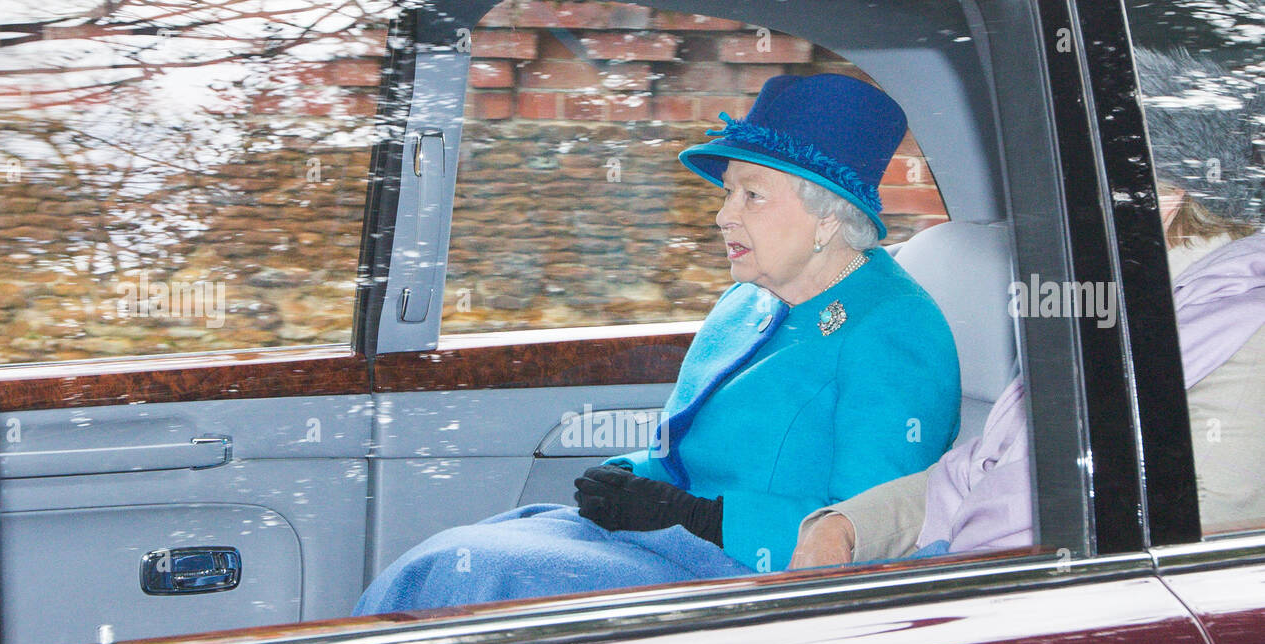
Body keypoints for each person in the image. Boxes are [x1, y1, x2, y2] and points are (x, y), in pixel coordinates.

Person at [355, 73, 960, 614]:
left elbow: (867, 533)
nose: (723, 216)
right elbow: (682, 452)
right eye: (728, 192)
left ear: (828, 217)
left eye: (752, 195)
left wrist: (697, 518)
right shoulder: (748, 302)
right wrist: (631, 478)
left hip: (752, 582)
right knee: (452, 561)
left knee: (477, 579)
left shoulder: (896, 332)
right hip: (672, 545)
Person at [789, 48, 1265, 569]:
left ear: (1151, 199)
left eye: (1063, 182)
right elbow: (976, 474)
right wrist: (844, 527)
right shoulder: (1106, 312)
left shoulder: (1244, 348)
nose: (1036, 212)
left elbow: (1166, 578)